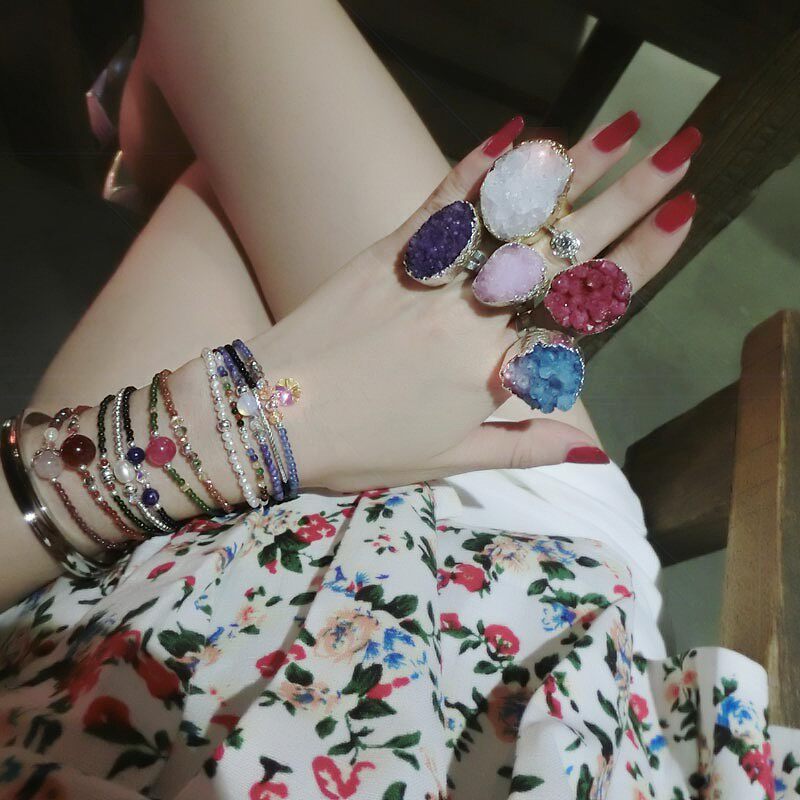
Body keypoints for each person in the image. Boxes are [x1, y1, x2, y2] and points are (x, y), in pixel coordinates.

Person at [0, 3, 797, 798]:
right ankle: (142, 168)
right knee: (230, 159)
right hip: (520, 580)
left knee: (222, 148)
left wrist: (256, 424)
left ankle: (135, 163)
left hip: (119, 617)